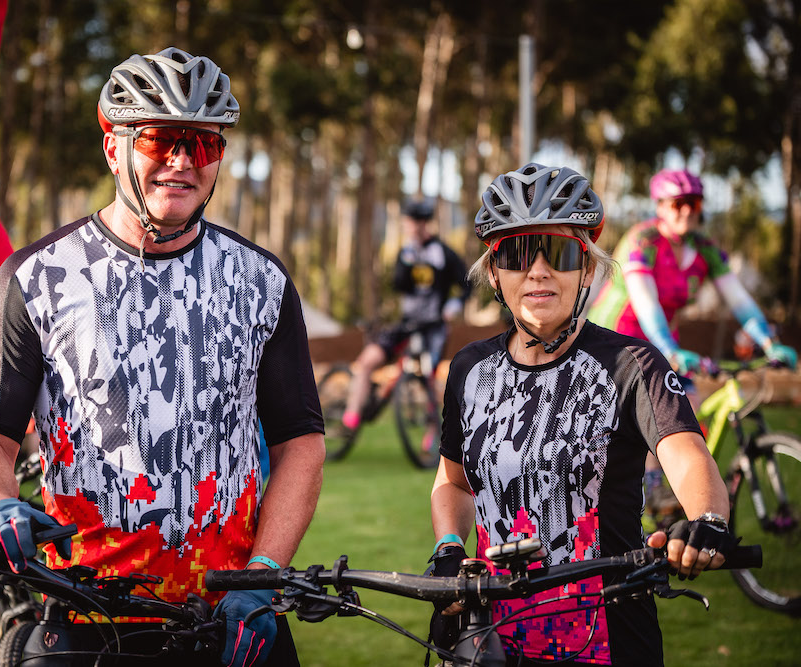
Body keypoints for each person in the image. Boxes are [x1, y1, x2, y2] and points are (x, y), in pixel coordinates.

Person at [0, 47, 325, 667]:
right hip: (86, 613)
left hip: (229, 617)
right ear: (113, 148)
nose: (182, 160)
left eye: (203, 143)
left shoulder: (262, 281)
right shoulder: (36, 278)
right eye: (159, 139)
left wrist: (264, 574)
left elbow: (299, 444)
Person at [429, 163, 736, 666]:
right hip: (490, 638)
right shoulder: (469, 369)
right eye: (517, 253)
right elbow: (455, 483)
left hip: (608, 638)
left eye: (559, 253)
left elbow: (687, 456)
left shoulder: (632, 364)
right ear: (495, 272)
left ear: (587, 269)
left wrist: (706, 519)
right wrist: (447, 547)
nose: (538, 271)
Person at [587, 168, 797, 516]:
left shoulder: (704, 250)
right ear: (660, 206)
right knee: (652, 405)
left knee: (689, 401)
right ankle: (653, 487)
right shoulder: (643, 241)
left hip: (664, 339)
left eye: (694, 203)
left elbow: (739, 299)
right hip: (619, 336)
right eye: (677, 203)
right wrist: (669, 350)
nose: (686, 210)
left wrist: (768, 341)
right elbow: (646, 303)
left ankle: (673, 490)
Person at [341, 199, 469, 432]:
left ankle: (435, 434)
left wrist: (454, 304)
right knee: (367, 361)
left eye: (415, 222)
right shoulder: (406, 251)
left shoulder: (443, 253)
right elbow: (398, 284)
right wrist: (408, 263)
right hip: (407, 323)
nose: (411, 227)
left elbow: (466, 282)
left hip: (433, 326)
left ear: (424, 223)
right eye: (408, 222)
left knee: (431, 379)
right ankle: (351, 415)